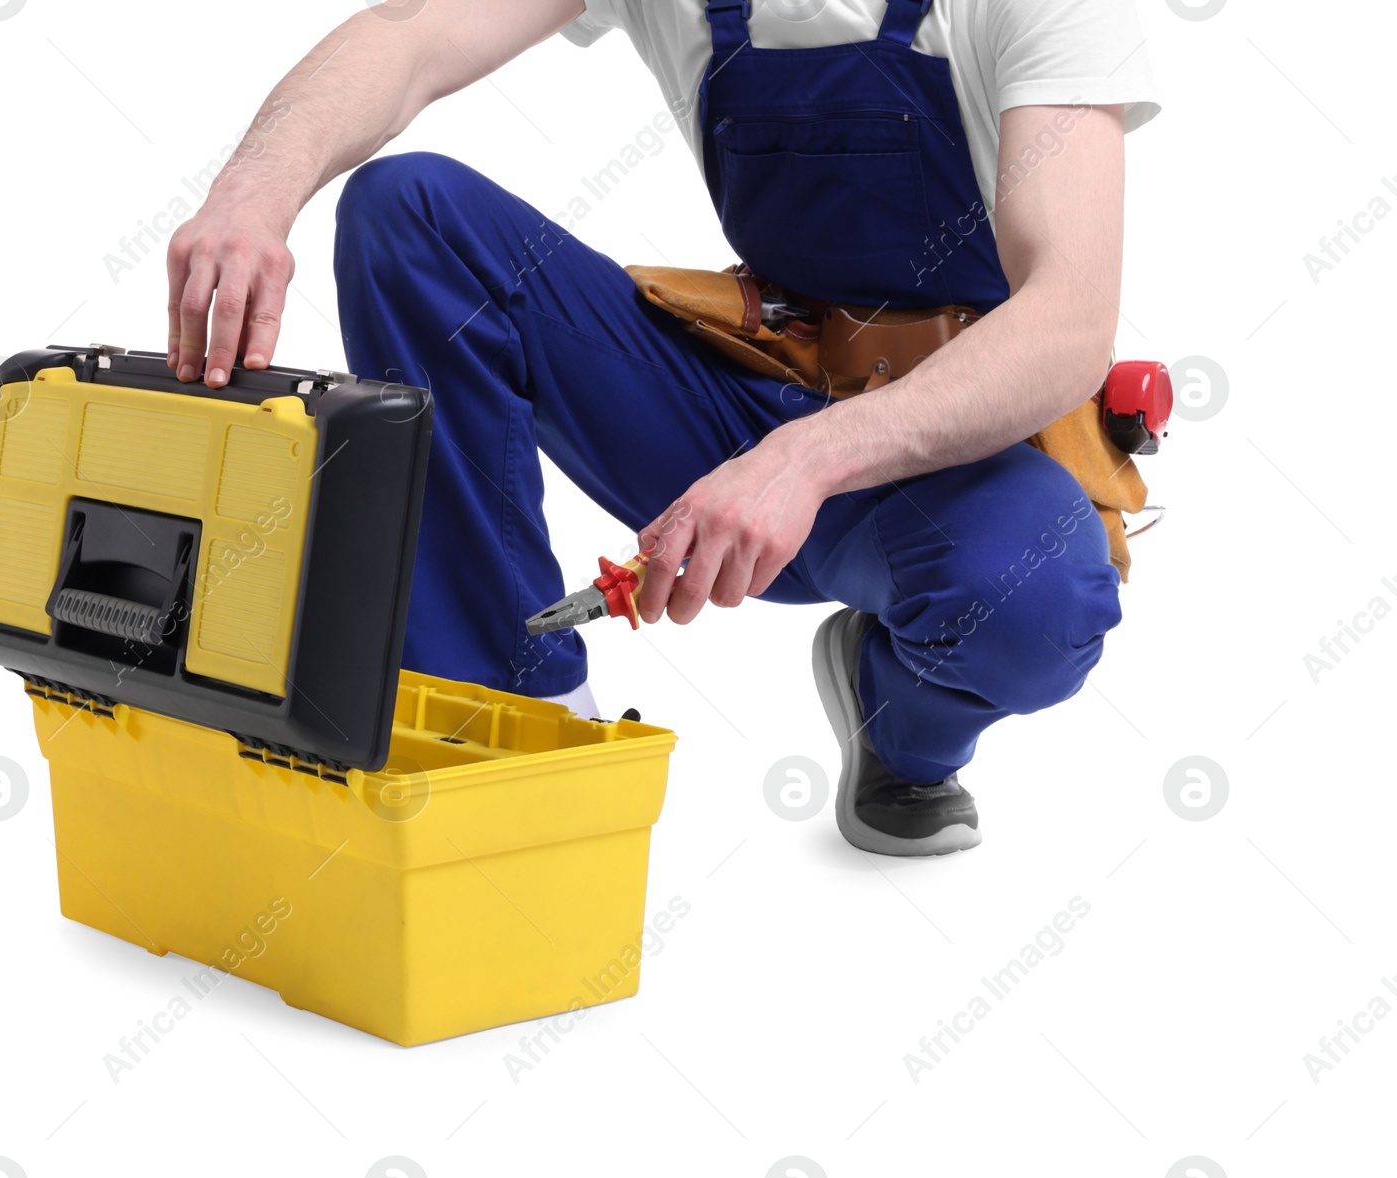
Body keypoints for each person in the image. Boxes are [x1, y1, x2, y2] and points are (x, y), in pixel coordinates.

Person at [163, 0, 1160, 856]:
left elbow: (1067, 318)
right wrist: (251, 192)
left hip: (944, 451)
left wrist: (805, 460)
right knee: (408, 213)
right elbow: (409, 33)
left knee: (1036, 595)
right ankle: (502, 714)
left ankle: (898, 726)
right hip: (742, 395)